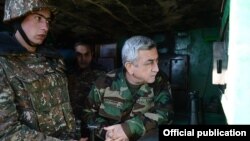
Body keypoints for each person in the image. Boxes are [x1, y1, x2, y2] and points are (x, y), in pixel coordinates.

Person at [0, 0, 86, 140]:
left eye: (47, 20)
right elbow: (7, 132)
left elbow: (65, 106)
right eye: (38, 18)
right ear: (18, 18)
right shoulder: (3, 64)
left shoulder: (53, 59)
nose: (45, 27)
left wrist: (77, 134)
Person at [83, 35, 174, 141]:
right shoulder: (104, 82)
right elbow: (87, 113)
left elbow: (166, 113)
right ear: (130, 67)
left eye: (157, 61)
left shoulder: (160, 81)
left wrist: (130, 128)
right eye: (149, 63)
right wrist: (106, 133)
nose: (156, 69)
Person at [68, 41, 107, 137]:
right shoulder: (67, 72)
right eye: (79, 55)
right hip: (71, 123)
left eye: (86, 54)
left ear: (92, 54)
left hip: (93, 124)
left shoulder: (102, 74)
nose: (83, 59)